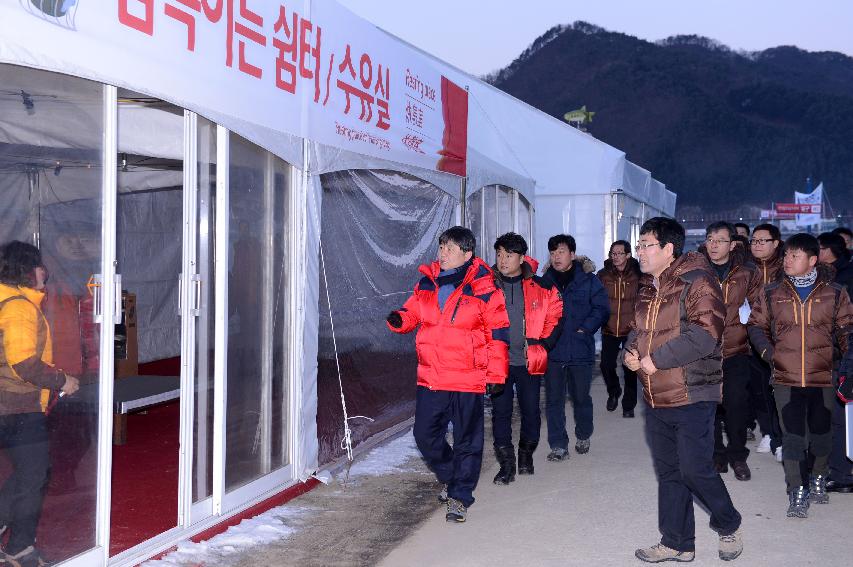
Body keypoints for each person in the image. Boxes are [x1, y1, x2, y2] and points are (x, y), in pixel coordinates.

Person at [625, 218, 742, 563]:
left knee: (694, 469)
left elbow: (706, 335)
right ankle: (677, 542)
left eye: (646, 245)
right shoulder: (648, 287)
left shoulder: (699, 282)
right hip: (656, 394)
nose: (640, 252)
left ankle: (728, 521)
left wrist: (655, 360)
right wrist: (631, 353)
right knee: (670, 473)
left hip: (692, 393)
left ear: (668, 249)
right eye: (639, 245)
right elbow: (637, 330)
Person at [386, 226, 509, 523]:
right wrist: (399, 319)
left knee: (468, 440)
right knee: (424, 435)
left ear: (467, 255)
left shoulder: (484, 288)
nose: (442, 253)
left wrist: (496, 374)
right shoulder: (427, 283)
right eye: (441, 247)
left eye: (449, 249)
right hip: (433, 376)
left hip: (468, 377)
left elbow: (499, 333)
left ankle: (459, 496)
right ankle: (452, 474)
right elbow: (411, 313)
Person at [748, 233, 853, 518]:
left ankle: (818, 476)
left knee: (821, 436)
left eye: (794, 256)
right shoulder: (771, 292)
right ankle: (797, 491)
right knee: (793, 437)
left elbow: (846, 330)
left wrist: (847, 362)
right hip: (786, 377)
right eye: (786, 256)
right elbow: (756, 326)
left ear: (812, 260)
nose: (787, 261)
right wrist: (770, 354)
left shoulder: (835, 292)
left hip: (823, 378)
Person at [0, 241, 80, 567]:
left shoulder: (9, 300)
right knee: (33, 476)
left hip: (9, 407)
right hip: (17, 407)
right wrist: (63, 380)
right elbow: (24, 363)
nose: (43, 271)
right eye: (37, 265)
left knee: (28, 473)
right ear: (25, 270)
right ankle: (20, 547)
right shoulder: (18, 307)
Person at [490, 233, 563, 484]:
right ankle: (506, 465)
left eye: (509, 255)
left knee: (530, 410)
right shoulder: (485, 285)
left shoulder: (542, 286)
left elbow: (556, 316)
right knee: (500, 413)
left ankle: (525, 454)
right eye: (499, 254)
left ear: (522, 258)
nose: (503, 260)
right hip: (497, 363)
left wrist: (543, 345)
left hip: (528, 361)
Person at [540, 235, 609, 460]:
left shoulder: (589, 280)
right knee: (554, 400)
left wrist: (585, 329)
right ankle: (558, 445)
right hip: (553, 351)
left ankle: (583, 434)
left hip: (580, 350)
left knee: (580, 397)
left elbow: (601, 308)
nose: (556, 257)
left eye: (560, 252)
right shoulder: (545, 282)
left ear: (572, 254)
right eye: (552, 253)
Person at [703, 222, 761, 482]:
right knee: (709, 404)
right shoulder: (696, 271)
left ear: (732, 244)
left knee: (736, 404)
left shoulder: (748, 272)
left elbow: (759, 308)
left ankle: (738, 455)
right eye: (710, 239)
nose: (713, 245)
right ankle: (716, 454)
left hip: (737, 348)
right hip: (703, 350)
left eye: (720, 240)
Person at [816, 232, 853, 493]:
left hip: (841, 357)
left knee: (839, 417)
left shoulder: (843, 281)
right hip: (837, 356)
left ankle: (841, 474)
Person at [747, 223, 785, 459]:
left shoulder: (786, 268)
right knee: (758, 389)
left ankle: (781, 437)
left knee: (777, 390)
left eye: (763, 241)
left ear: (776, 243)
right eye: (754, 241)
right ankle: (768, 432)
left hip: (780, 338)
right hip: (751, 337)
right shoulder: (745, 269)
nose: (757, 245)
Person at [597, 240, 642, 418]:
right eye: (613, 253)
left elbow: (644, 301)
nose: (615, 257)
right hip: (609, 327)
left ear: (628, 255)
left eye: (619, 253)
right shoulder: (603, 275)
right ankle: (614, 391)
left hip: (631, 329)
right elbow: (596, 299)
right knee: (606, 365)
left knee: (630, 368)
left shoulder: (638, 275)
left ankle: (629, 404)